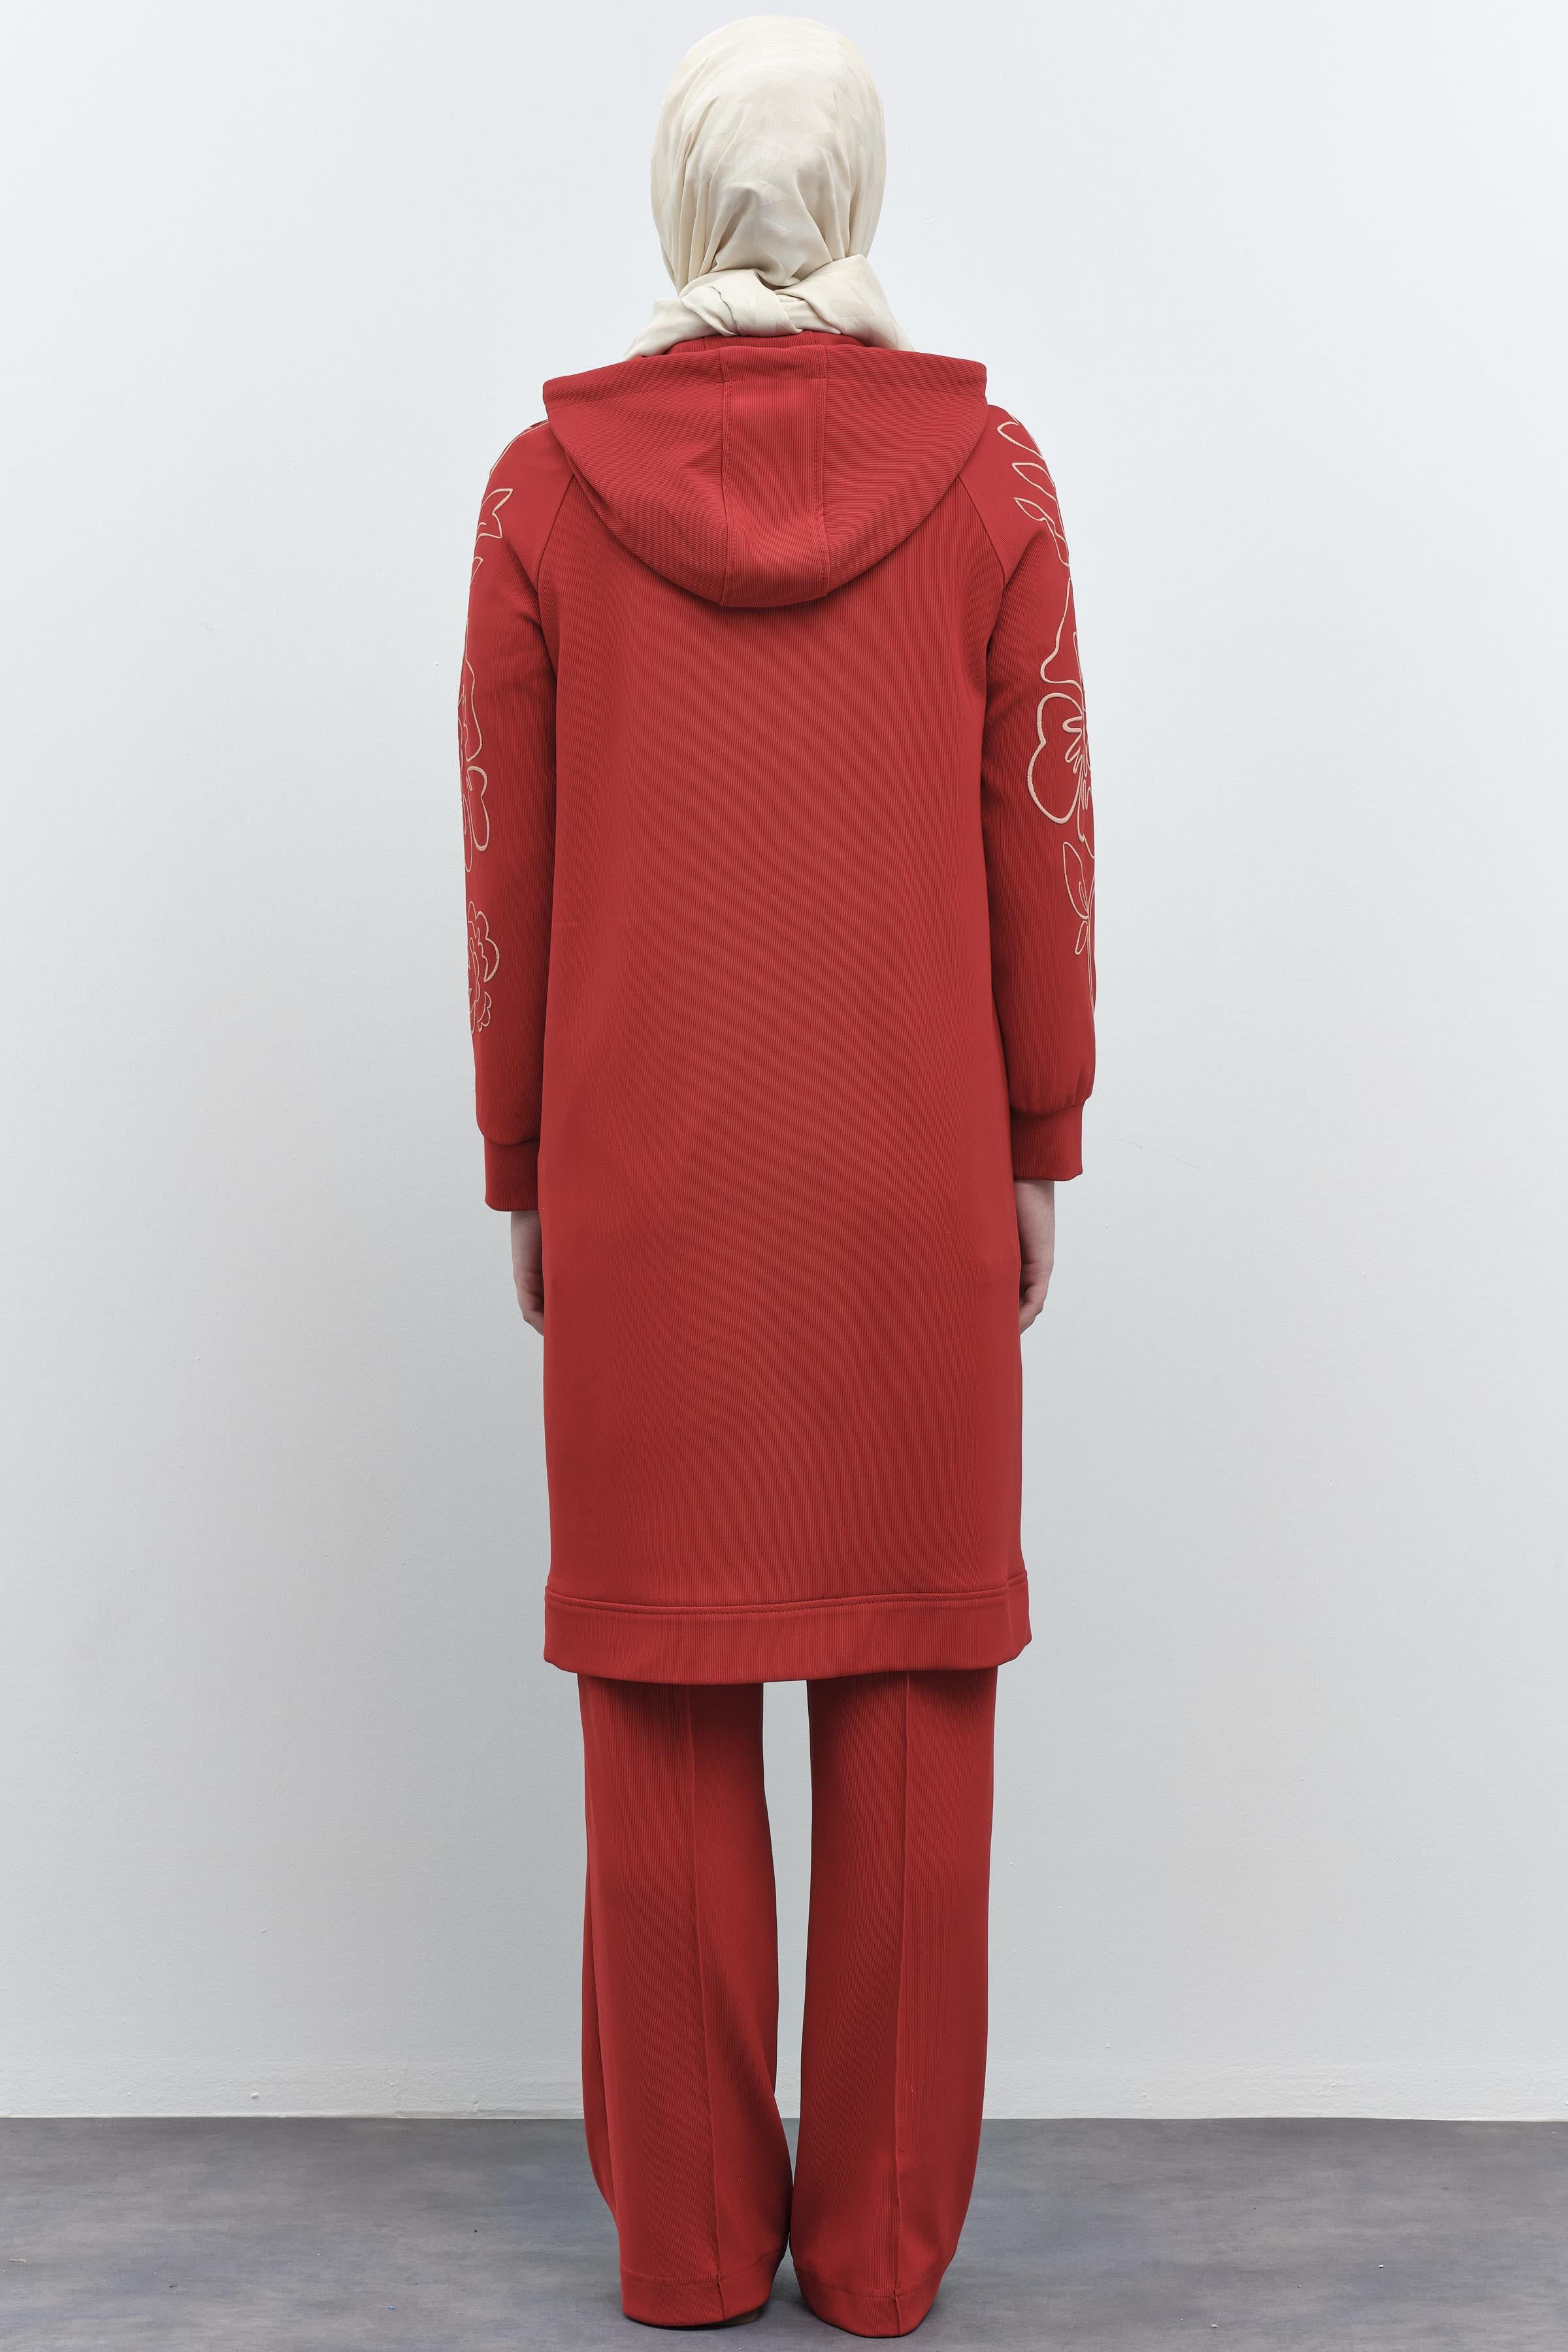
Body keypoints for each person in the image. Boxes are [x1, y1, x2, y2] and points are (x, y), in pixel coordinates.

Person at [458, 16, 1094, 2335]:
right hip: (909, 1173)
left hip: (648, 1178)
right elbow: (1045, 838)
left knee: (663, 1692)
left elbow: (507, 864)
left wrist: (528, 1158)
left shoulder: (544, 495)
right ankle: (886, 2252)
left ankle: (694, 2244)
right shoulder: (992, 479)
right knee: (913, 1688)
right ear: (855, 192)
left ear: (678, 195)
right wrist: (1038, 1136)